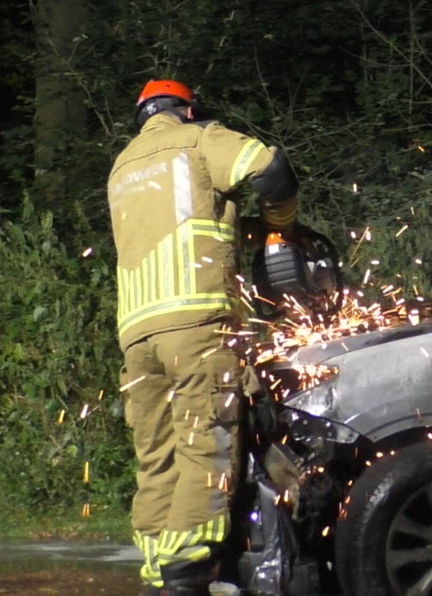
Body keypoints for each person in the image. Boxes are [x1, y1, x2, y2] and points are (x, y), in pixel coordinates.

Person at [108, 79, 299, 596]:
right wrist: (279, 225)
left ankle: (156, 572)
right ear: (187, 110)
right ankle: (188, 576)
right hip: (196, 323)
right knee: (204, 448)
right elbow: (270, 169)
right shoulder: (196, 140)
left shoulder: (122, 165)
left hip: (137, 335)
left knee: (157, 456)